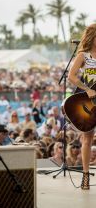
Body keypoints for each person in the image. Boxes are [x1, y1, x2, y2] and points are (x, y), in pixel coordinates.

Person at [68, 23, 96, 190]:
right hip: (87, 100)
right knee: (87, 138)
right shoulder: (83, 56)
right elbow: (71, 76)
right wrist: (86, 89)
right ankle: (85, 176)